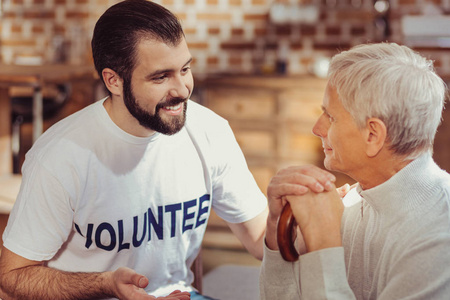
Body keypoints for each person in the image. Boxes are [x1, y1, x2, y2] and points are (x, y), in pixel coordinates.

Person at [0, 1, 315, 299]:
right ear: (114, 81)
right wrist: (105, 284)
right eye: (161, 77)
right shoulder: (60, 156)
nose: (181, 90)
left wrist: (305, 218)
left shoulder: (209, 131)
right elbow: (13, 276)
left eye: (185, 69)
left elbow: (262, 239)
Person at [260, 42, 450, 299]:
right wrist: (278, 234)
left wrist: (324, 242)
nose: (317, 128)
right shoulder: (350, 203)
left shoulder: (438, 238)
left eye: (331, 116)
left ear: (373, 134)